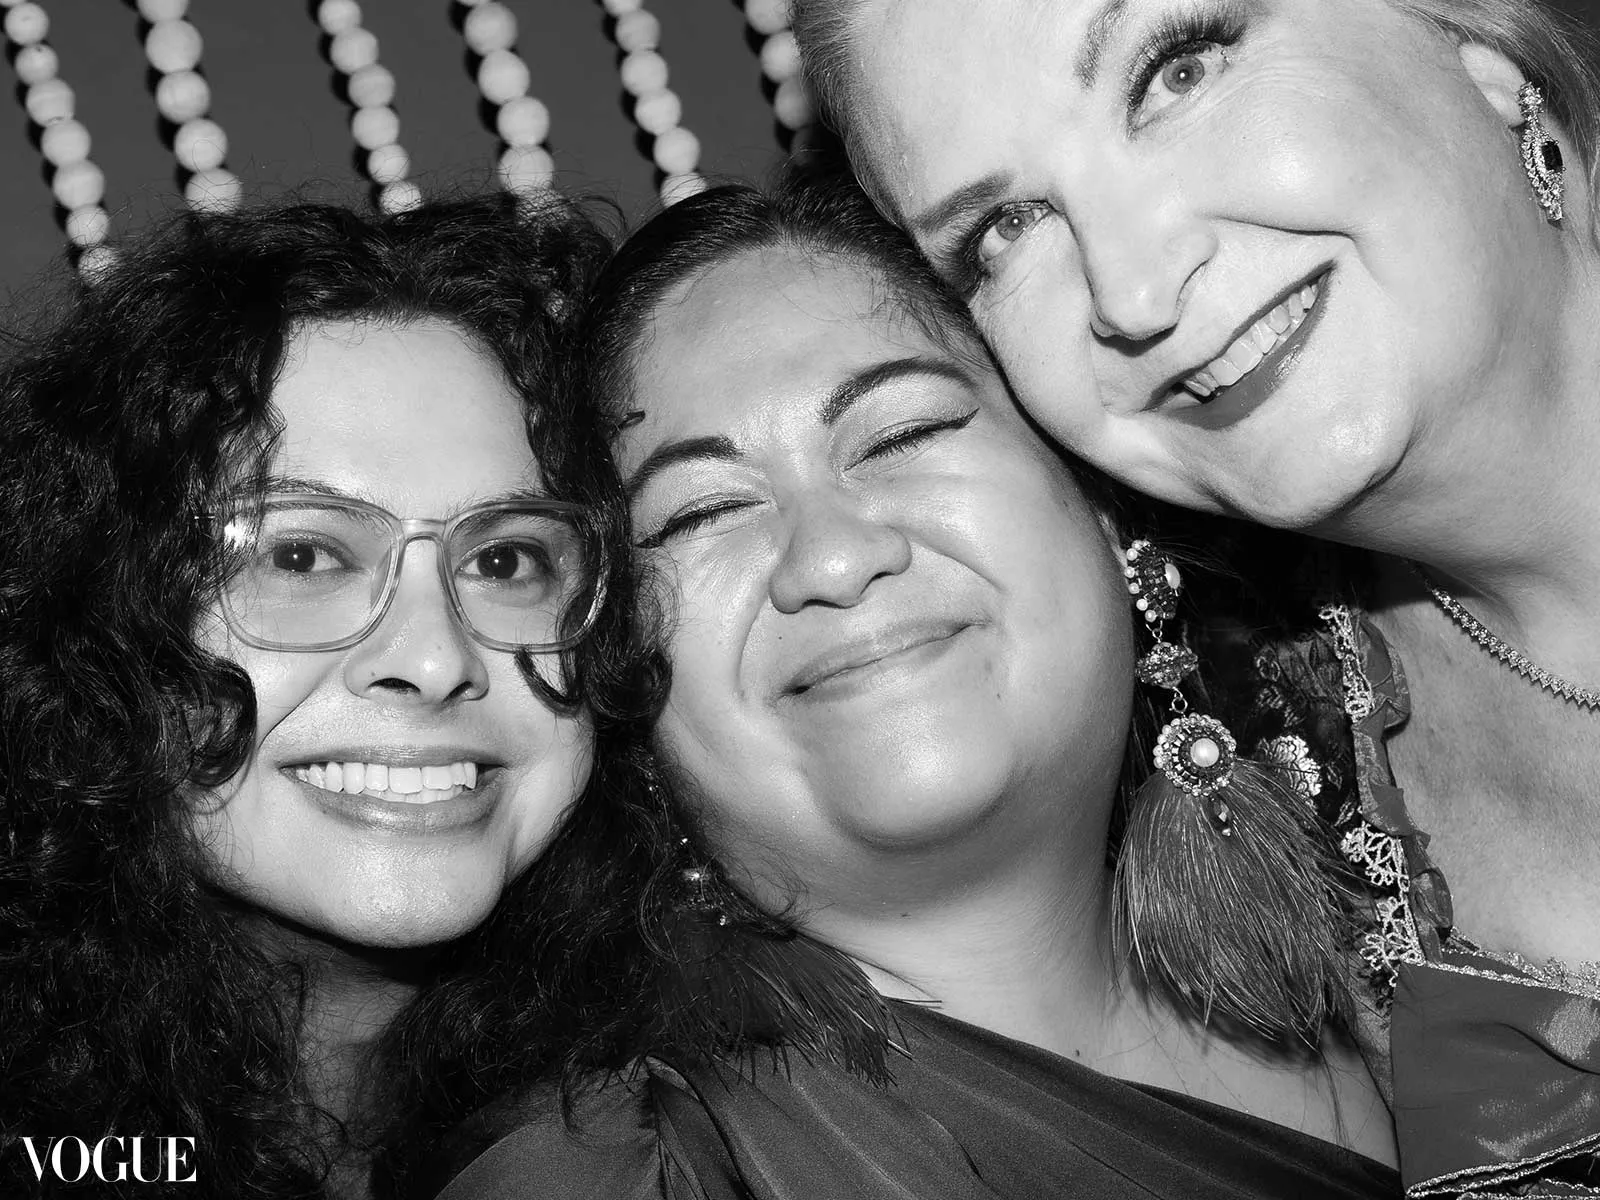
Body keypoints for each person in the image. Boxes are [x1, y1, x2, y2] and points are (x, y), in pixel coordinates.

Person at [438, 177, 1399, 1200]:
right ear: (622, 684)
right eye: (701, 511)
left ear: (1105, 509)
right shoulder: (627, 1170)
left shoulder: (1399, 946)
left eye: (899, 436)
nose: (831, 558)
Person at [787, 0, 1600, 1191]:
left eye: (1175, 72)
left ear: (1481, 54)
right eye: (1006, 230)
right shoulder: (1254, 763)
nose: (1133, 289)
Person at [0, 194, 669, 1199]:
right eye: (301, 555)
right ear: (96, 619)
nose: (434, 658)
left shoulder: (731, 1120)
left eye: (505, 559)